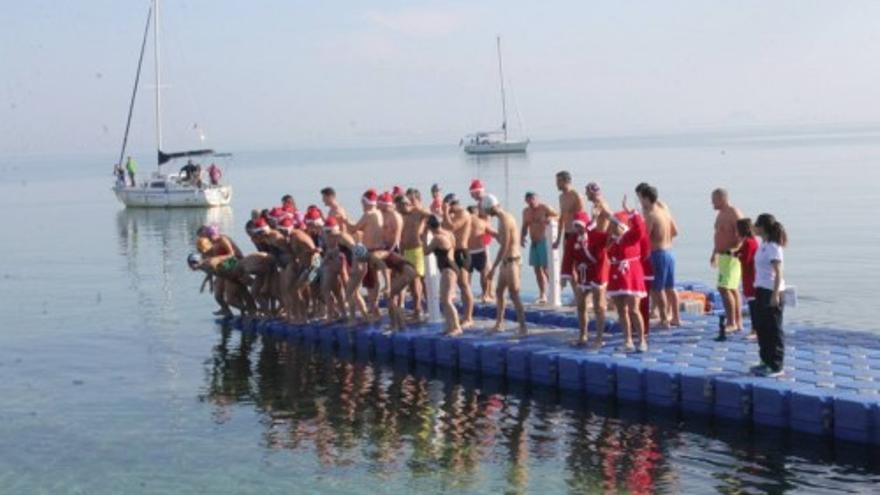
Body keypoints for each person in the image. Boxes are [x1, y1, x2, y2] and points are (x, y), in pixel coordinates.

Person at [599, 202, 648, 353]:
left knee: (634, 309)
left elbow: (640, 230)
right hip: (616, 275)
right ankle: (627, 340)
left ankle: (642, 340)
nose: (612, 227)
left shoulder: (631, 237)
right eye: (612, 224)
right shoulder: (611, 240)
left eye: (615, 224)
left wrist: (633, 213)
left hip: (631, 275)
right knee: (621, 310)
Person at [750, 213, 787, 377]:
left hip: (771, 291)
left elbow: (778, 272)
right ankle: (765, 361)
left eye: (756, 225)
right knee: (762, 327)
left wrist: (775, 294)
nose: (754, 227)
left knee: (774, 329)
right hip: (761, 289)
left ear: (762, 227)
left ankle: (777, 366)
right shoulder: (763, 243)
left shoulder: (773, 246)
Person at [483, 194, 526, 335]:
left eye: (487, 210)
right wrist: (494, 234)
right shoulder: (501, 219)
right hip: (506, 262)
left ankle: (523, 327)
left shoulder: (506, 220)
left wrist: (493, 268)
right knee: (499, 291)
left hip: (512, 262)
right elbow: (503, 240)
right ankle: (499, 323)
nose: (487, 213)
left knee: (514, 294)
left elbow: (505, 246)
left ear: (492, 208)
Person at [639, 185, 681, 328]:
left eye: (640, 198)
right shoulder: (664, 211)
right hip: (669, 252)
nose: (639, 202)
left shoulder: (651, 216)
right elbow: (675, 232)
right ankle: (676, 317)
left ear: (646, 198)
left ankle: (664, 319)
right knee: (670, 287)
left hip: (658, 254)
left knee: (658, 289)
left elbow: (643, 239)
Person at [570, 211, 609, 348]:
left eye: (580, 226)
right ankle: (583, 335)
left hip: (598, 272)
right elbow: (571, 256)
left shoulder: (596, 235)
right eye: (576, 226)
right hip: (584, 273)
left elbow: (609, 237)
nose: (578, 229)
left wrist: (600, 218)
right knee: (580, 304)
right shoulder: (575, 239)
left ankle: (599, 338)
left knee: (599, 306)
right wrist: (571, 272)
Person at [711, 188, 744, 333]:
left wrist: (735, 250)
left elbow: (744, 235)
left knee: (724, 288)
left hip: (731, 256)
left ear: (721, 198)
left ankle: (732, 322)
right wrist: (714, 253)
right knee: (731, 288)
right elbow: (719, 234)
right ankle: (737, 322)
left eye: (714, 200)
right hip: (723, 256)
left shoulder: (733, 213)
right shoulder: (721, 214)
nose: (711, 203)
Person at [424, 215, 463, 336]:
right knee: (445, 299)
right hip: (452, 266)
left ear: (430, 227)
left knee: (446, 300)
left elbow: (426, 251)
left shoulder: (437, 238)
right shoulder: (449, 233)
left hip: (448, 269)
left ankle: (456, 327)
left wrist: (423, 237)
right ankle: (450, 326)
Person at [397, 194, 432, 320]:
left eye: (400, 207)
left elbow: (433, 217)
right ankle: (418, 308)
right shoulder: (400, 215)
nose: (399, 210)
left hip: (417, 249)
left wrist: (425, 231)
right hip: (405, 251)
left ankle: (419, 309)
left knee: (417, 279)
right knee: (411, 283)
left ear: (406, 204)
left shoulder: (417, 212)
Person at [442, 193, 475, 327]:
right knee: (459, 286)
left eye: (449, 207)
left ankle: (469, 318)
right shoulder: (453, 215)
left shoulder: (463, 213)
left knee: (464, 285)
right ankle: (464, 316)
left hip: (462, 252)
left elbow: (452, 227)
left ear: (452, 204)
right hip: (454, 252)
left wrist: (445, 212)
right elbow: (444, 228)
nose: (448, 210)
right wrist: (446, 214)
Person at [552, 170, 586, 297]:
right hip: (567, 234)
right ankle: (577, 294)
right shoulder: (561, 197)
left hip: (577, 234)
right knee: (568, 266)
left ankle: (584, 295)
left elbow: (582, 216)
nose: (556, 184)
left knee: (579, 265)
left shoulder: (576, 195)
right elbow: (562, 218)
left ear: (566, 181)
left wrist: (583, 236)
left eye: (558, 181)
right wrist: (558, 239)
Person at [521, 191, 558, 304]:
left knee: (546, 268)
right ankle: (542, 294)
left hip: (544, 241)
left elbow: (558, 216)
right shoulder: (526, 211)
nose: (531, 202)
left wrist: (550, 219)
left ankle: (554, 292)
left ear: (537, 199)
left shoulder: (544, 208)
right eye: (528, 200)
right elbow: (525, 225)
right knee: (537, 269)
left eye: (533, 199)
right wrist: (521, 237)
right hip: (534, 242)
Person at [466, 205, 496, 303]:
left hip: (467, 251)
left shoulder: (464, 222)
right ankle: (485, 295)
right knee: (483, 273)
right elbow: (493, 233)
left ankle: (467, 295)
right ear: (476, 213)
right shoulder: (481, 222)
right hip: (479, 250)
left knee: (468, 275)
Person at [735, 218, 759, 338]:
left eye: (737, 230)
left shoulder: (749, 242)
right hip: (750, 276)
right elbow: (742, 252)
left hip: (751, 277)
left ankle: (755, 330)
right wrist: (735, 253)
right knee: (752, 303)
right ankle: (755, 329)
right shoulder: (752, 241)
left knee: (753, 304)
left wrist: (738, 256)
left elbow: (746, 259)